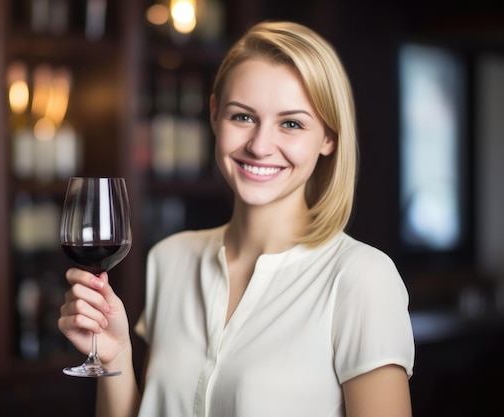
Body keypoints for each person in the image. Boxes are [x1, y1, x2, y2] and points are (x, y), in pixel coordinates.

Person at [58, 20, 415, 417]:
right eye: (242, 117)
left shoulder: (362, 278)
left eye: (291, 123)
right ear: (214, 115)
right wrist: (115, 356)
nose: (260, 146)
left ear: (329, 137)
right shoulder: (170, 259)